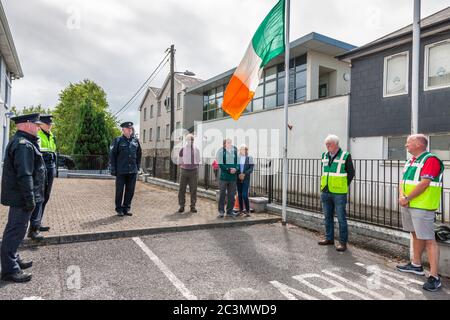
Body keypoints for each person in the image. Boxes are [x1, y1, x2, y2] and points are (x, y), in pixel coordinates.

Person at [1, 114, 46, 283]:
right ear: (27, 124)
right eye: (36, 125)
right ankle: (9, 269)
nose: (38, 127)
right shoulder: (23, 145)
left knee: (16, 230)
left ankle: (13, 258)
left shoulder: (25, 142)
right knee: (15, 231)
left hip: (22, 196)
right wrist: (30, 199)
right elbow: (25, 175)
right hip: (22, 197)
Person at [396, 134, 444, 292]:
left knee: (429, 240)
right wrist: (402, 196)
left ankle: (434, 277)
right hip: (409, 204)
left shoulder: (431, 160)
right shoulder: (410, 160)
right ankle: (416, 264)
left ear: (418, 144)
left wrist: (407, 197)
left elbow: (424, 183)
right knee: (415, 234)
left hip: (422, 206)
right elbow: (402, 180)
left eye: (408, 143)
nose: (406, 146)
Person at [318, 134, 355, 252]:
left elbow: (351, 173)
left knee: (341, 218)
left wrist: (343, 185)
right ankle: (329, 238)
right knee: (327, 217)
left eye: (329, 144)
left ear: (336, 144)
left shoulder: (345, 156)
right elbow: (325, 172)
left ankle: (343, 243)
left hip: (339, 193)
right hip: (326, 191)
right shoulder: (324, 155)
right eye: (326, 144)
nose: (327, 146)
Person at [28, 115, 57, 240]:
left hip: (50, 167)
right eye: (48, 124)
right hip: (41, 167)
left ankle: (38, 223)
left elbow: (53, 150)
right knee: (39, 197)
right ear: (41, 125)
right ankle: (33, 228)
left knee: (45, 197)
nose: (50, 126)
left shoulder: (51, 135)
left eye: (51, 124)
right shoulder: (38, 135)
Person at [110, 122, 142, 217]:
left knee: (130, 190)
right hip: (121, 170)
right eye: (128, 129)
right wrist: (113, 169)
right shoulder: (118, 140)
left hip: (132, 171)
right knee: (119, 190)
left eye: (131, 129)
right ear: (123, 130)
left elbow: (139, 155)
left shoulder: (135, 141)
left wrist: (137, 167)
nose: (130, 130)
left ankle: (126, 208)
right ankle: (119, 209)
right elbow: (112, 155)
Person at [178, 134, 201, 214]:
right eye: (188, 140)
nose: (189, 141)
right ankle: (181, 206)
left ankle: (193, 206)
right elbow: (180, 160)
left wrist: (195, 166)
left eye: (191, 140)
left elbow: (198, 159)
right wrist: (182, 166)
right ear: (186, 140)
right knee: (182, 189)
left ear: (193, 141)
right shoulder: (182, 149)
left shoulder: (196, 149)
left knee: (193, 189)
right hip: (184, 171)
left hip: (193, 171)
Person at [216, 139, 239, 218]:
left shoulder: (234, 152)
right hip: (224, 178)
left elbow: (238, 163)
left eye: (230, 143)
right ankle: (221, 211)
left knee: (232, 195)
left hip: (233, 178)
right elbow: (220, 164)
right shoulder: (221, 152)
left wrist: (236, 169)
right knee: (222, 194)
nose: (229, 144)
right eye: (228, 143)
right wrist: (228, 169)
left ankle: (229, 211)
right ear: (224, 144)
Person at [237, 144, 254, 217]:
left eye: (244, 149)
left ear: (246, 150)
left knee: (244, 194)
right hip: (238, 178)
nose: (243, 150)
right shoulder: (237, 158)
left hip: (246, 178)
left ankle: (247, 210)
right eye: (241, 149)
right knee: (240, 194)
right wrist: (238, 174)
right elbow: (236, 167)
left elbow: (251, 169)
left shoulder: (250, 158)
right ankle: (240, 210)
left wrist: (244, 174)